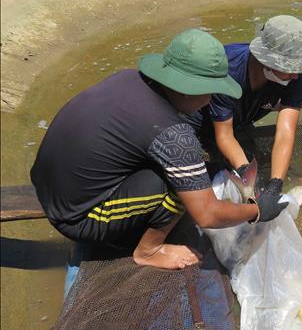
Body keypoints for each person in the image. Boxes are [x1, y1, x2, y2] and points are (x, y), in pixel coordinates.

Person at [30, 29, 287, 271]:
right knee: (183, 186)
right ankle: (149, 250)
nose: (210, 101)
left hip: (47, 182)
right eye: (210, 92)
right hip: (77, 216)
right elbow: (207, 214)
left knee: (182, 172)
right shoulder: (175, 136)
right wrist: (257, 210)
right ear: (188, 90)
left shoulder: (127, 77)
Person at [187, 15, 302, 201]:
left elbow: (285, 133)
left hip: (238, 120)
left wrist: (276, 183)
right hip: (196, 122)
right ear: (267, 61)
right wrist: (248, 176)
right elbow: (224, 135)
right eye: (289, 67)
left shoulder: (295, 78)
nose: (296, 75)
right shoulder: (227, 70)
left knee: (258, 183)